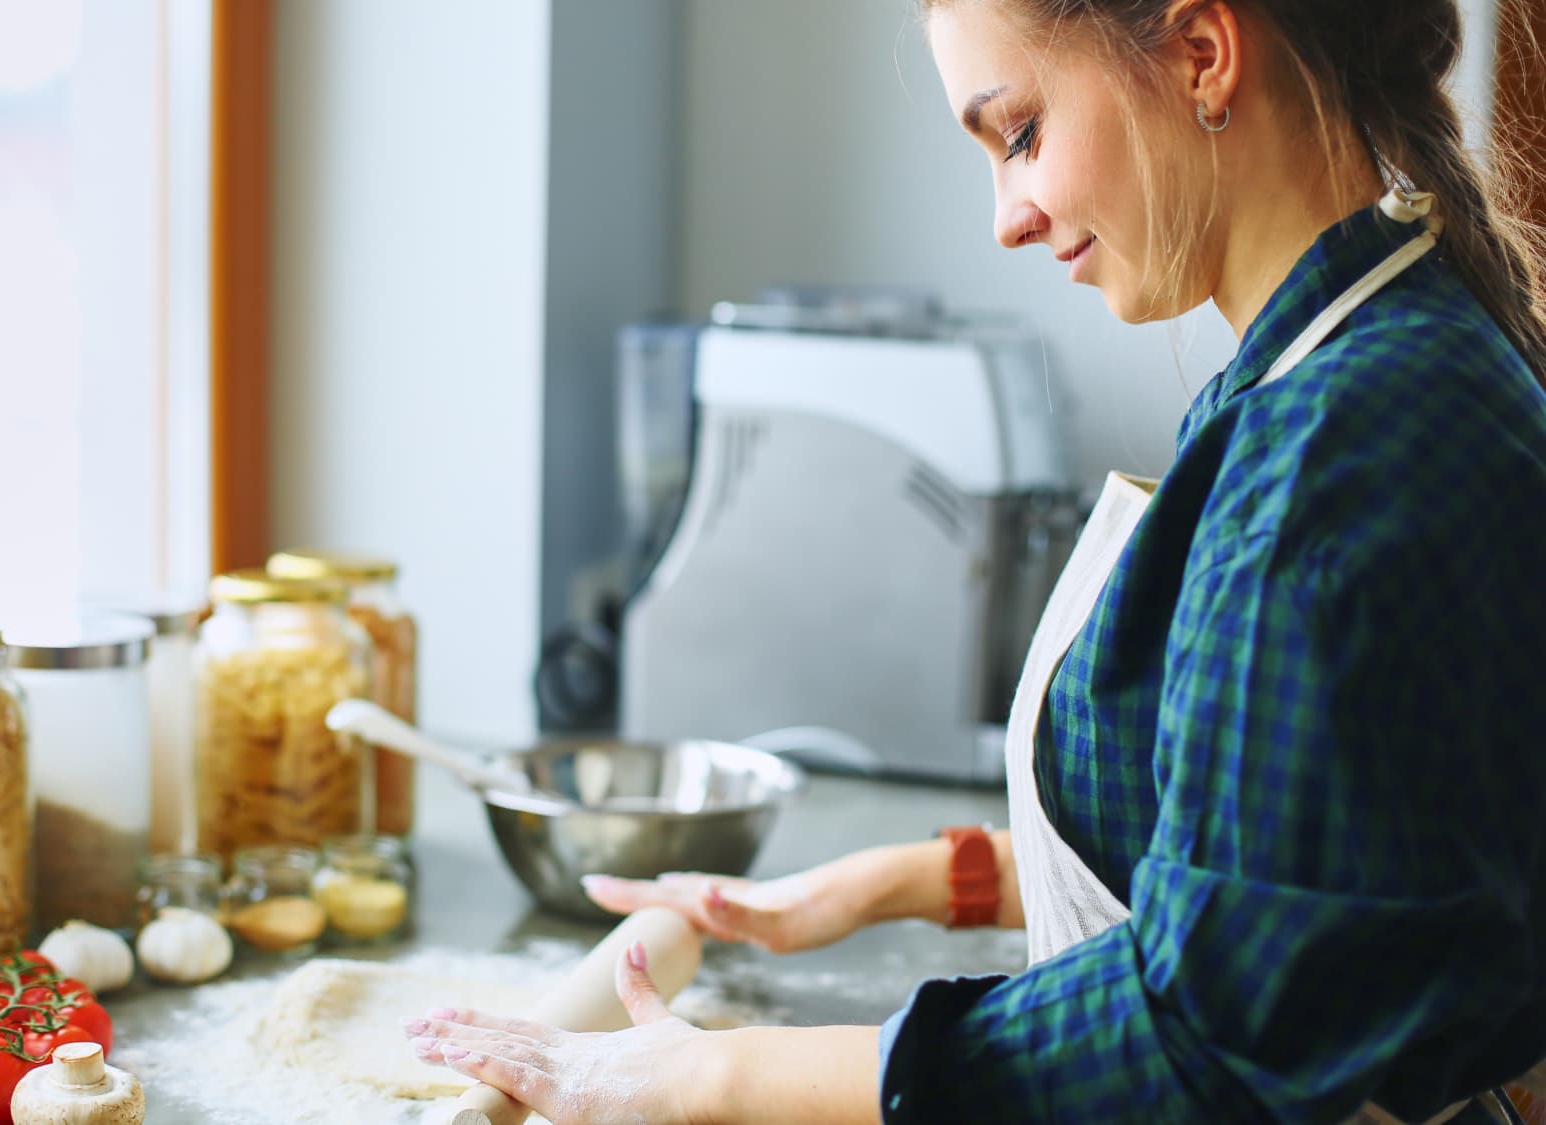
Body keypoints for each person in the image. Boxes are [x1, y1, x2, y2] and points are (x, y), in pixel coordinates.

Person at [404, 0, 1546, 1120]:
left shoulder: (1335, 459)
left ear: (1201, 54)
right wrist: (885, 886)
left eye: (1021, 134)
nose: (1008, 215)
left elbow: (1212, 1033)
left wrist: (716, 1077)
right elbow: (1293, 861)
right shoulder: (1349, 364)